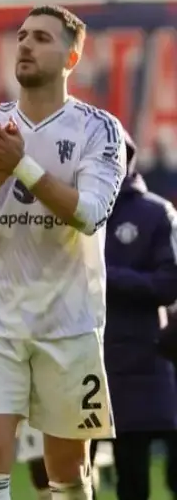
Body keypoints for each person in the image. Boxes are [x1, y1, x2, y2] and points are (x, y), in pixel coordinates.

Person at [0, 5, 127, 500]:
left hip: (69, 320)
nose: (25, 45)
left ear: (72, 55)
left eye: (41, 37)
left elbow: (89, 214)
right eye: (22, 36)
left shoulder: (97, 129)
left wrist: (21, 168)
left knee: (65, 469)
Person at [100, 134, 177, 499]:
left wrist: (106, 277)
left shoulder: (155, 212)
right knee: (69, 473)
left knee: (133, 470)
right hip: (76, 355)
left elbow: (169, 284)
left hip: (139, 358)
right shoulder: (64, 211)